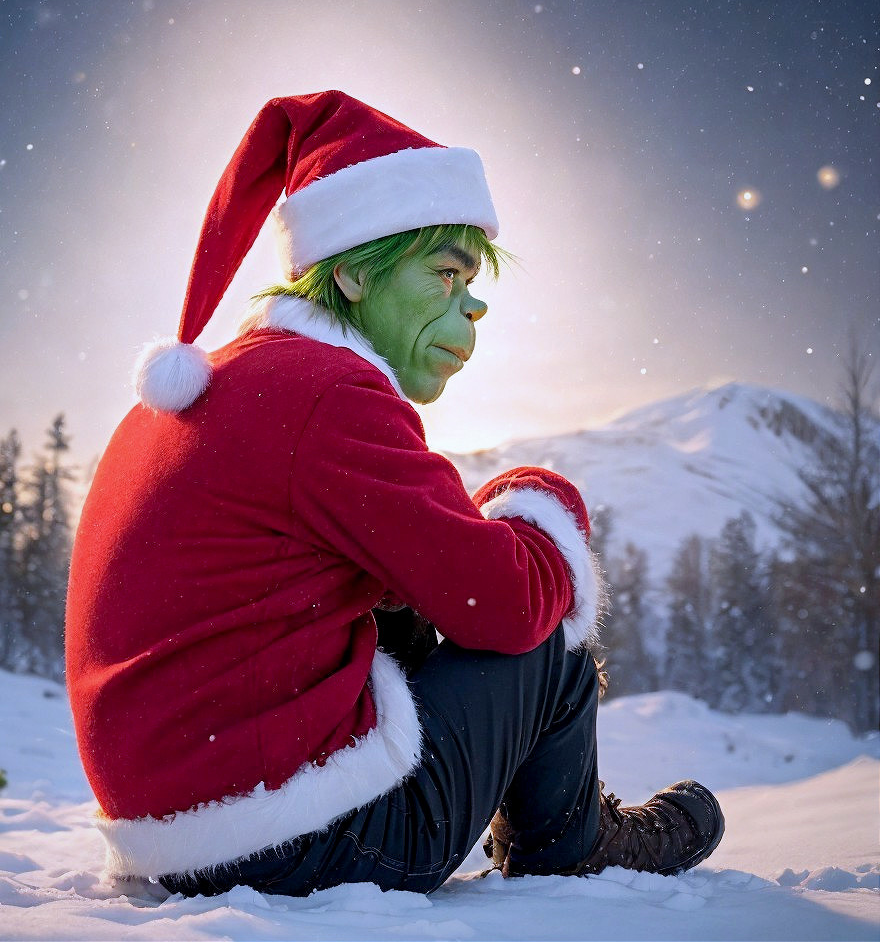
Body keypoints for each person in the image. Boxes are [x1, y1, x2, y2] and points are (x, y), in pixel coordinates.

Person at [64, 90, 723, 897]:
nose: (473, 303)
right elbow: (508, 607)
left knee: (407, 607)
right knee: (542, 621)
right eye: (445, 273)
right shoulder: (326, 392)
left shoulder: (226, 384)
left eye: (473, 282)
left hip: (175, 832)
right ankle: (573, 842)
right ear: (349, 268)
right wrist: (541, 499)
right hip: (293, 840)